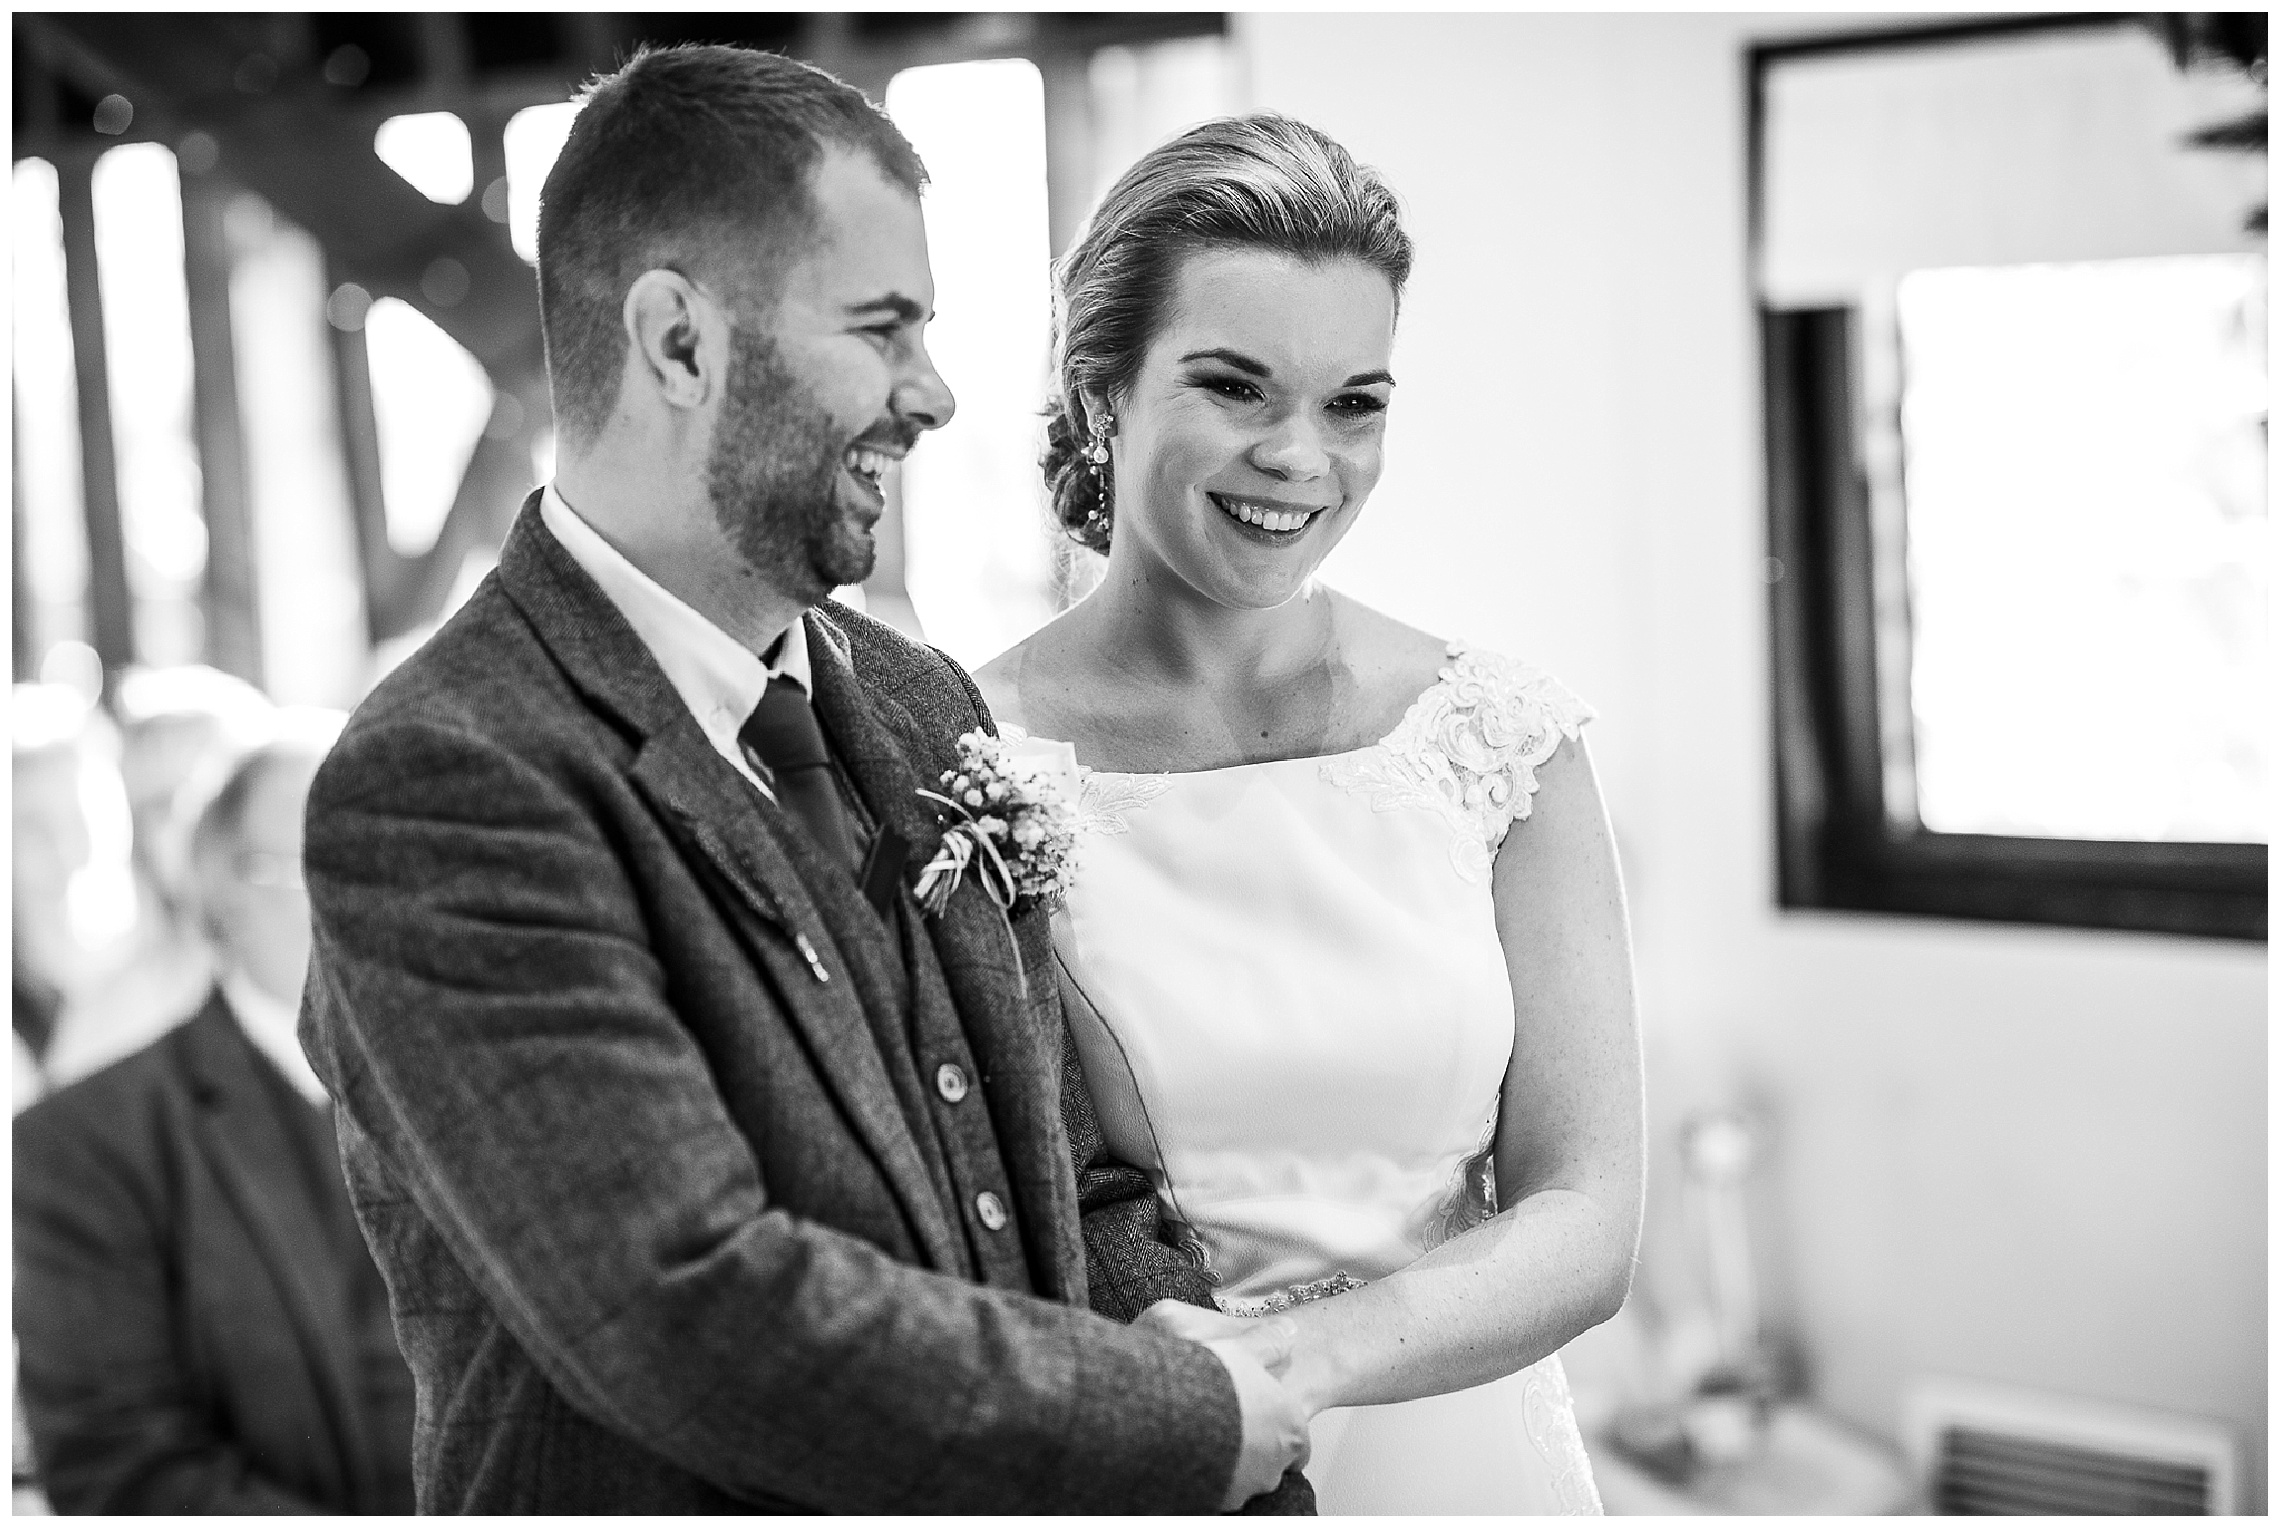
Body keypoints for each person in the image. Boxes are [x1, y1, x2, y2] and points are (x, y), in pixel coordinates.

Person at [296, 44, 1309, 1514]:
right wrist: (1180, 1418)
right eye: (883, 329)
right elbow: (691, 1313)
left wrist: (1206, 1378)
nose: (938, 394)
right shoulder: (446, 782)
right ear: (679, 343)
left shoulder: (914, 697)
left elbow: (1070, 1167)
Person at [976, 113, 1646, 1513]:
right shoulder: (968, 756)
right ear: (1103, 392)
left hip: (1474, 1470)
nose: (1301, 457)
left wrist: (1289, 1366)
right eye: (1236, 388)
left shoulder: (1500, 740)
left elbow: (1586, 1218)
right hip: (1155, 1465)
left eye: (1355, 402)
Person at [14, 716, 419, 1514]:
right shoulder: (90, 1145)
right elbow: (121, 1468)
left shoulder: (479, 1085)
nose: (373, 897)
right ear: (220, 891)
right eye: (325, 865)